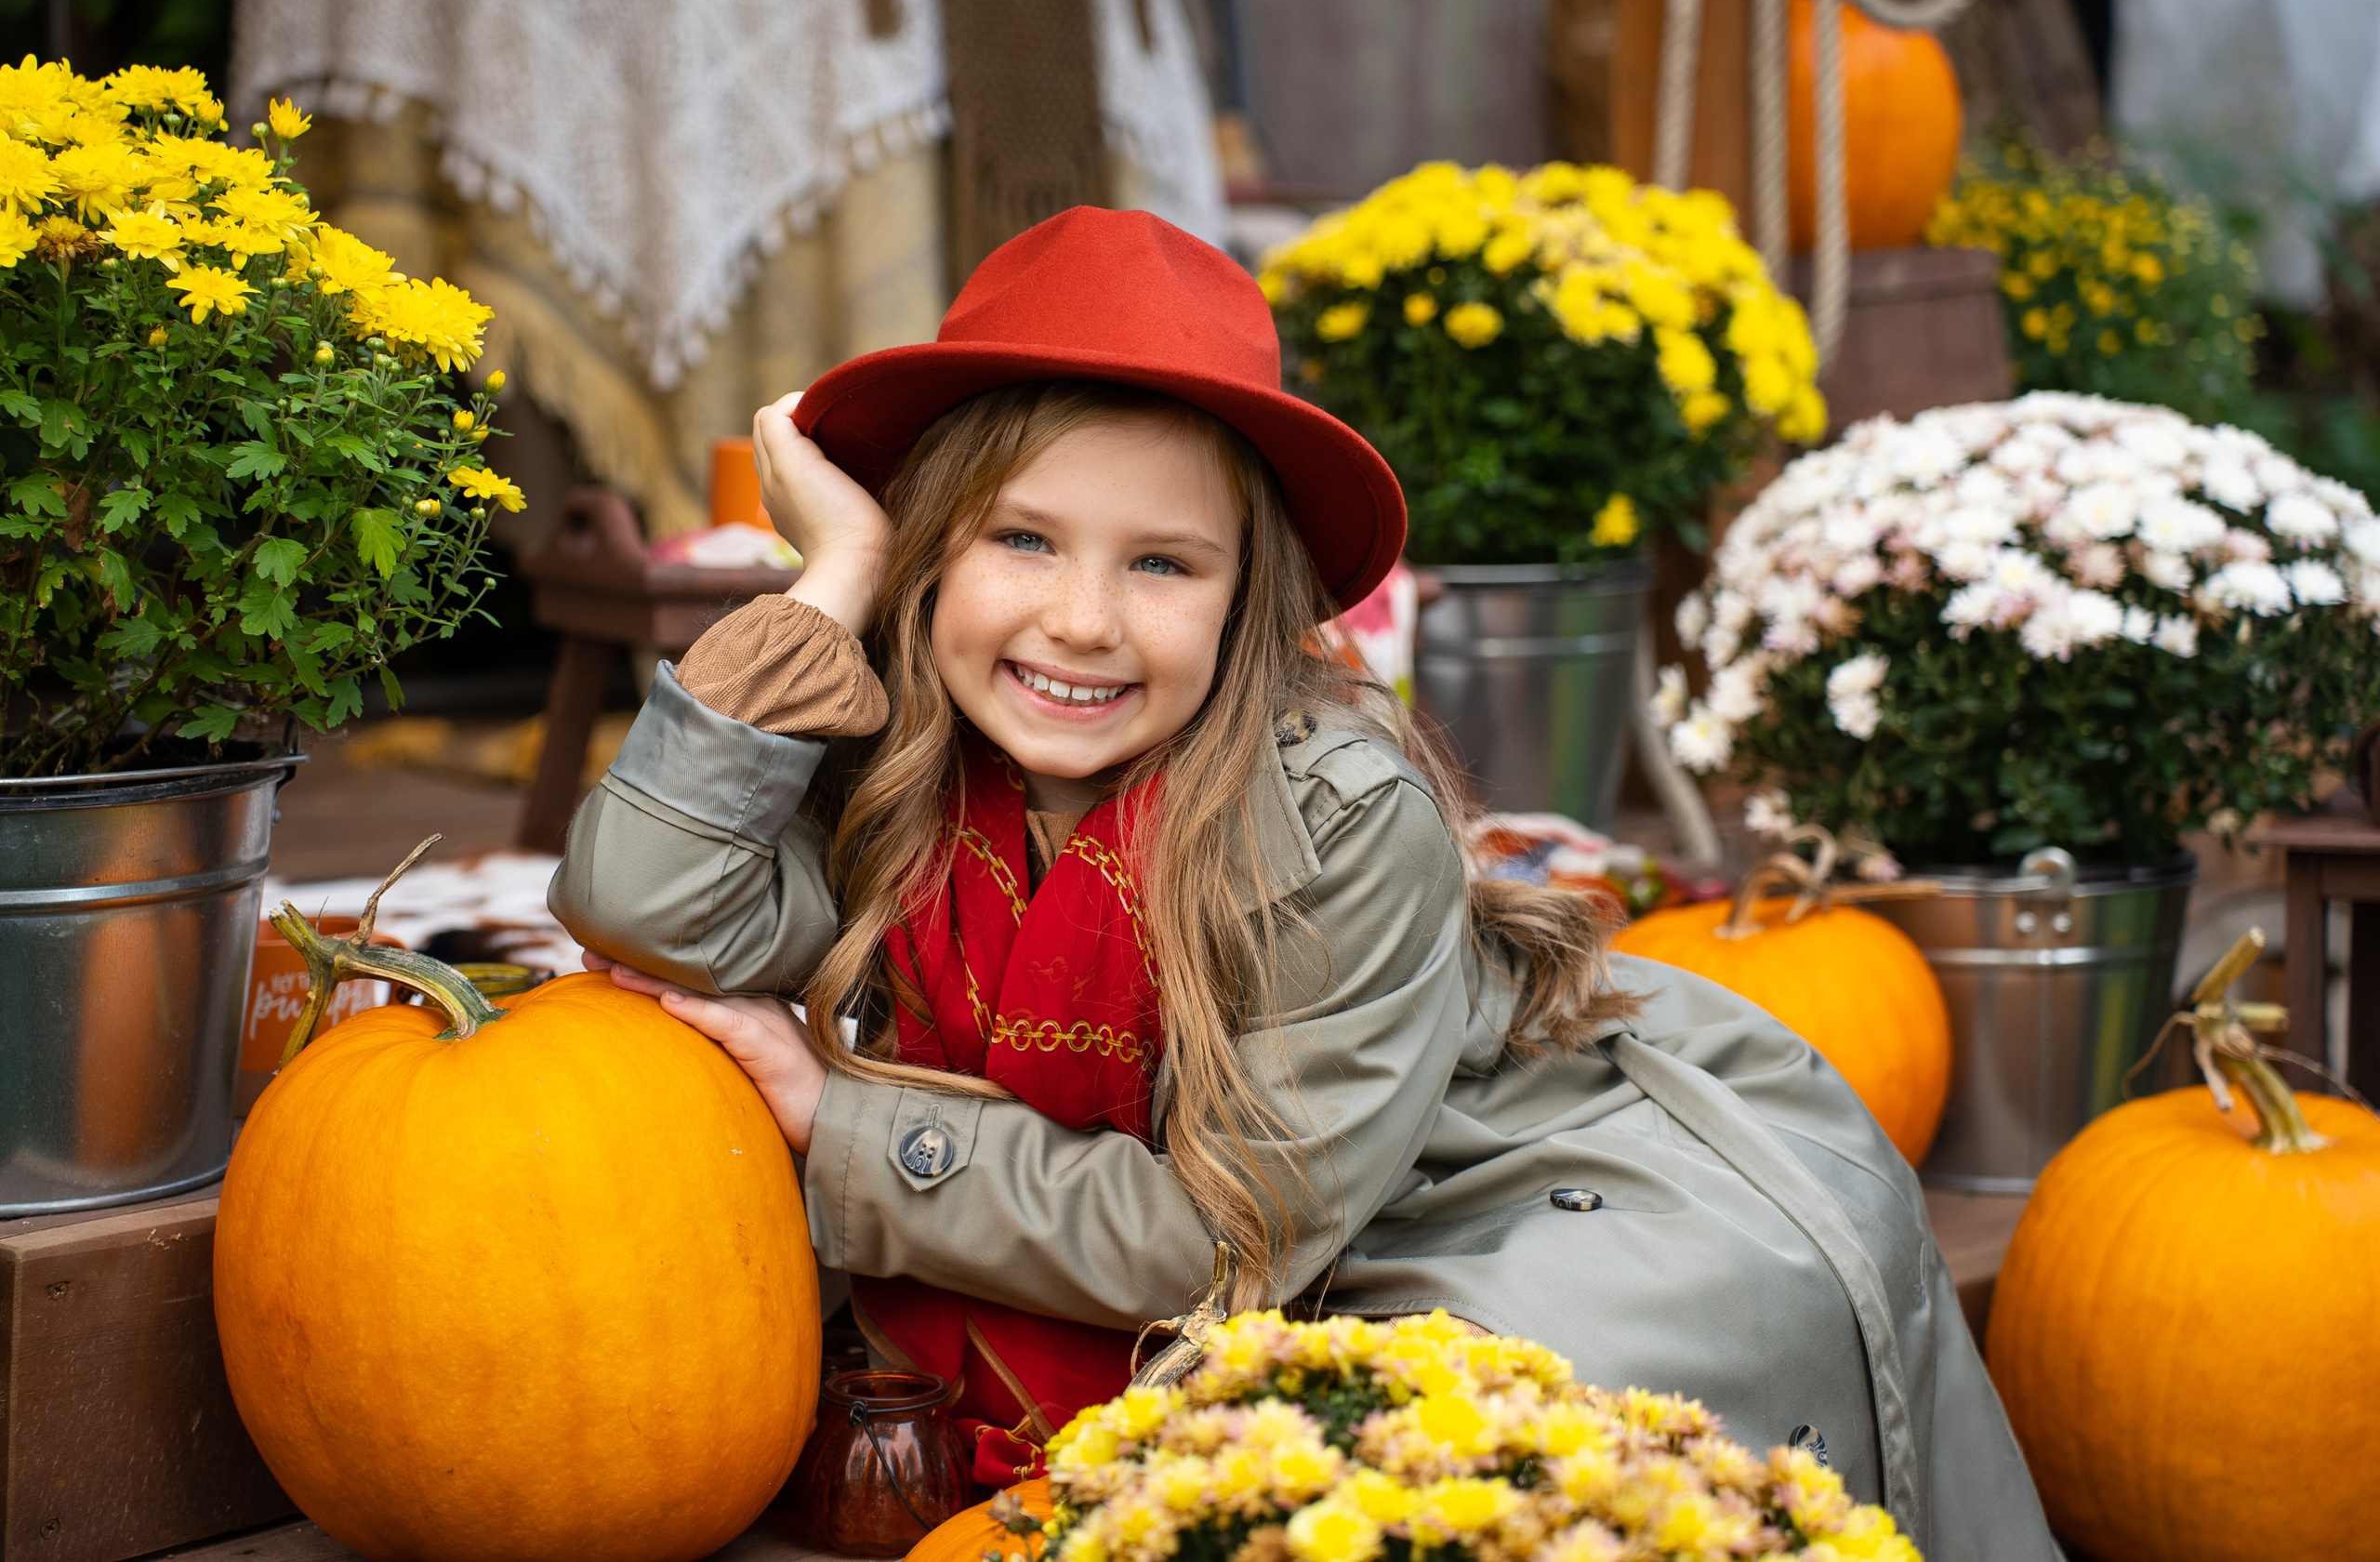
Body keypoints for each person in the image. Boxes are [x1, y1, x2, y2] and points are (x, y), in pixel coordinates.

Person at [549, 206, 2054, 1559]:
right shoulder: (897, 757)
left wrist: (836, 1119)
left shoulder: (1334, 815)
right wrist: (831, 582)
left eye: (1162, 565)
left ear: (1244, 599)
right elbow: (643, 902)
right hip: (1185, 1221)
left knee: (1427, 1454)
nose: (1081, 620)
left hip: (1456, 1188)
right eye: (1020, 538)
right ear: (931, 558)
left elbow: (1225, 1244)